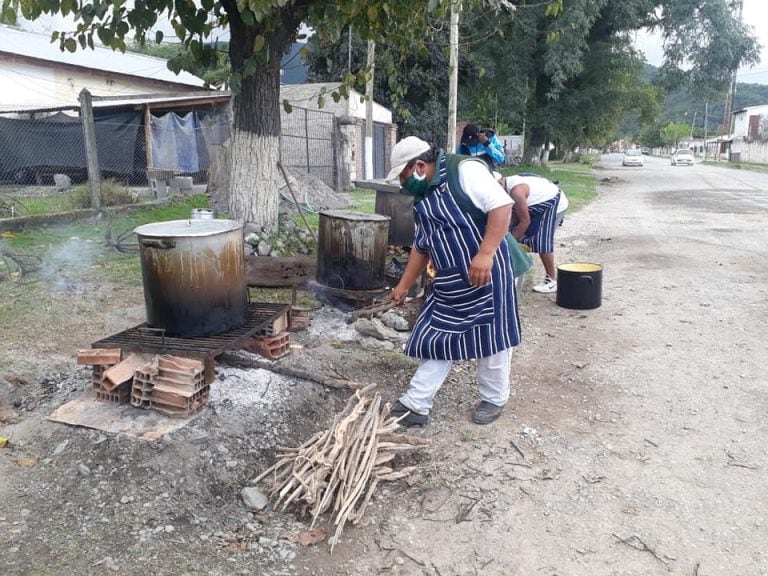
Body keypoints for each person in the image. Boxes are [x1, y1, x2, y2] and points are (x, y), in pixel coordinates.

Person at [385, 136, 521, 427]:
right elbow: (422, 246)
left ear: (420, 165)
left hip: (489, 272)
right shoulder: (423, 197)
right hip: (451, 278)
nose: (403, 184)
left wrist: (485, 254)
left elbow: (502, 207)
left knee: (493, 337)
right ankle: (416, 403)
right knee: (436, 334)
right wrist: (403, 286)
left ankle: (494, 398)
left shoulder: (464, 172)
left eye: (404, 175)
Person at [499, 173, 568, 293]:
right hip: (537, 205)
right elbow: (516, 216)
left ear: (500, 183)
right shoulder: (506, 186)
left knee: (541, 240)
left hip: (554, 203)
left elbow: (525, 221)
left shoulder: (516, 192)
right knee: (515, 233)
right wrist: (506, 234)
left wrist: (510, 243)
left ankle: (551, 281)